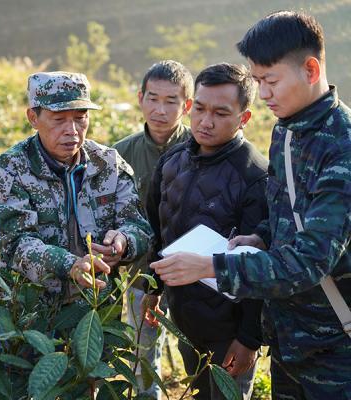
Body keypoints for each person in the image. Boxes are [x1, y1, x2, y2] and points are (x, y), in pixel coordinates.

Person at [150, 11, 351, 399]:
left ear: (310, 69)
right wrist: (260, 236)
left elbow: (310, 260)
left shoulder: (340, 149)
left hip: (335, 345)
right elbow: (284, 215)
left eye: (271, 81)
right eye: (258, 81)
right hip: (289, 340)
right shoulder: (288, 131)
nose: (265, 93)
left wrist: (210, 266)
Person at [146, 63, 267, 399]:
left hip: (228, 332)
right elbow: (159, 230)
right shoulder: (172, 161)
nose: (205, 121)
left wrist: (248, 339)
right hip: (186, 320)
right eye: (199, 108)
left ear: (244, 118)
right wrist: (153, 286)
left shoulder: (255, 176)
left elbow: (259, 267)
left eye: (220, 112)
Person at [0, 71, 152, 303]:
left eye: (80, 118)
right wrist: (70, 265)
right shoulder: (12, 168)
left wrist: (124, 242)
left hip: (97, 307)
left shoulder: (108, 164)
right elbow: (15, 244)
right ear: (33, 118)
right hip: (31, 312)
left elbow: (139, 227)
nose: (72, 130)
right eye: (58, 119)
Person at [113, 60, 193, 398]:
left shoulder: (201, 147)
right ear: (140, 98)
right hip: (140, 275)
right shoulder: (119, 154)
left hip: (193, 273)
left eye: (171, 100)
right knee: (141, 354)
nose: (160, 110)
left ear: (187, 105)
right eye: (153, 98)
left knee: (198, 350)